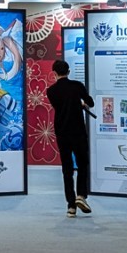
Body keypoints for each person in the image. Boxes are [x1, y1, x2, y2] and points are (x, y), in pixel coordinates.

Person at [45, 59, 94, 218]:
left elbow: (61, 106)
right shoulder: (77, 86)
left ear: (54, 73)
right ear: (69, 71)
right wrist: (81, 104)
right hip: (78, 132)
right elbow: (90, 102)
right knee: (82, 164)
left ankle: (71, 206)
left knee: (67, 169)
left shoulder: (51, 91)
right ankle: (81, 195)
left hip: (62, 133)